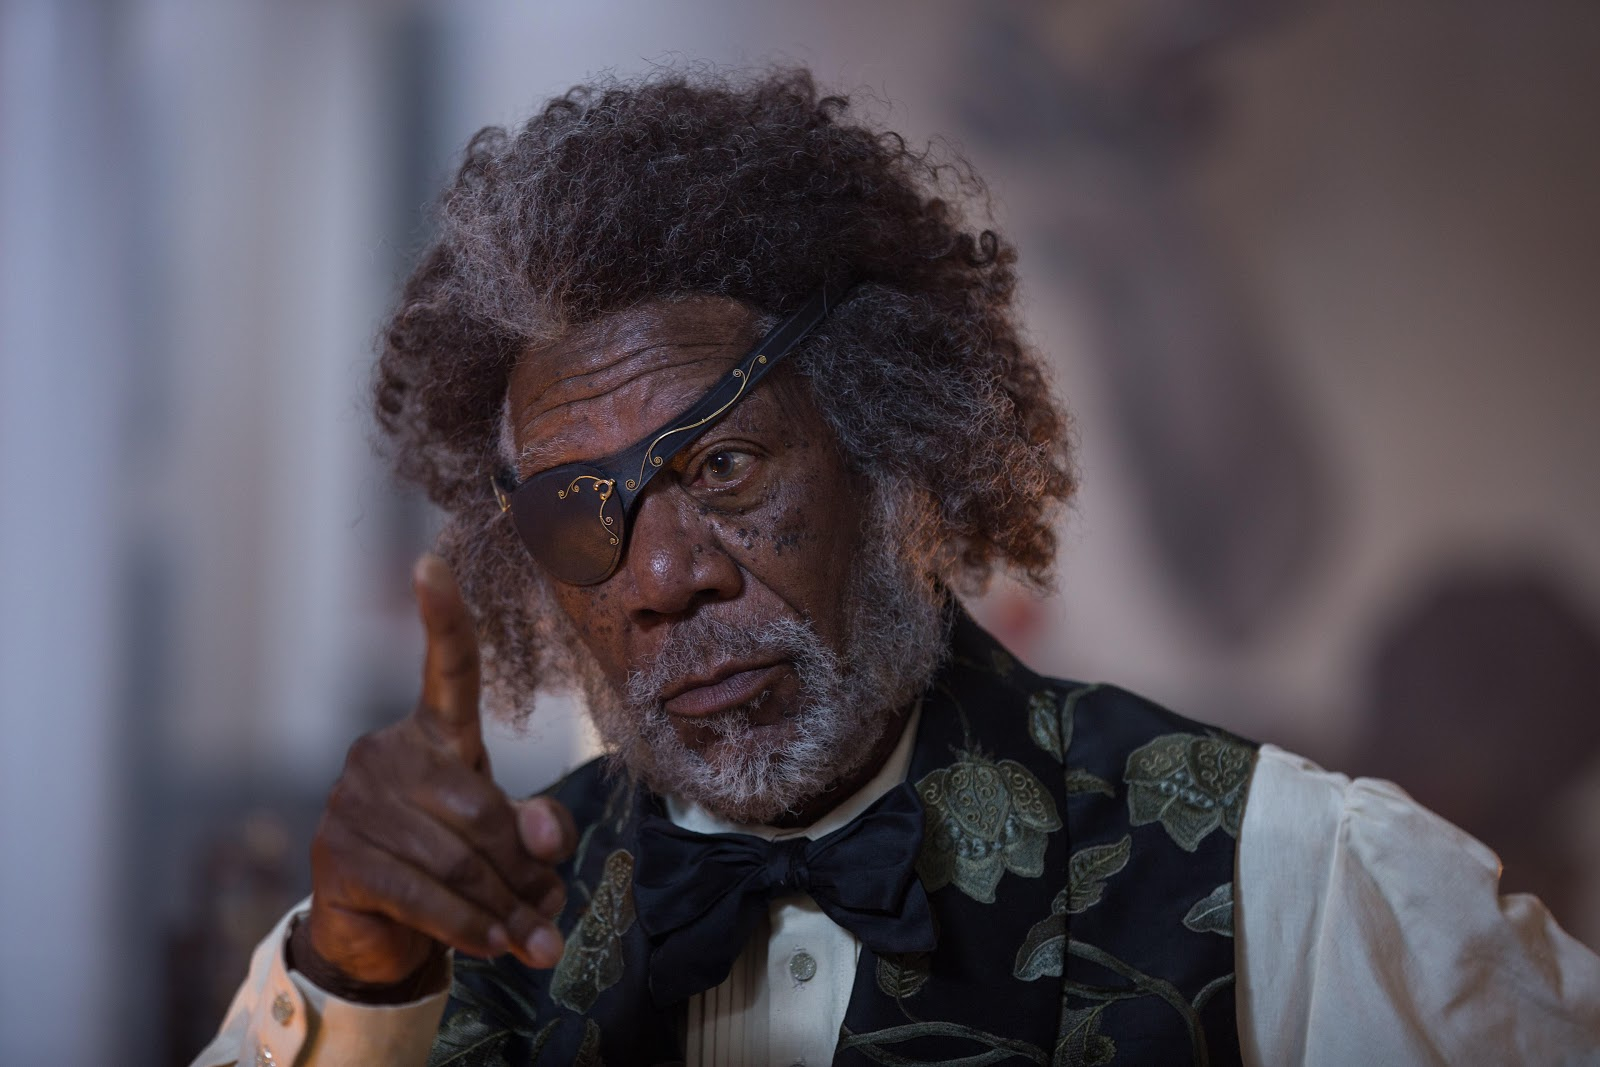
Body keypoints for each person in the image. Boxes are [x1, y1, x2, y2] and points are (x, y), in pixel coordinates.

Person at [194, 68, 1600, 1067]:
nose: (665, 575)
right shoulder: (413, 959)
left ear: (891, 447)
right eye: (582, 515)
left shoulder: (1292, 879)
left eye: (725, 468)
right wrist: (353, 982)